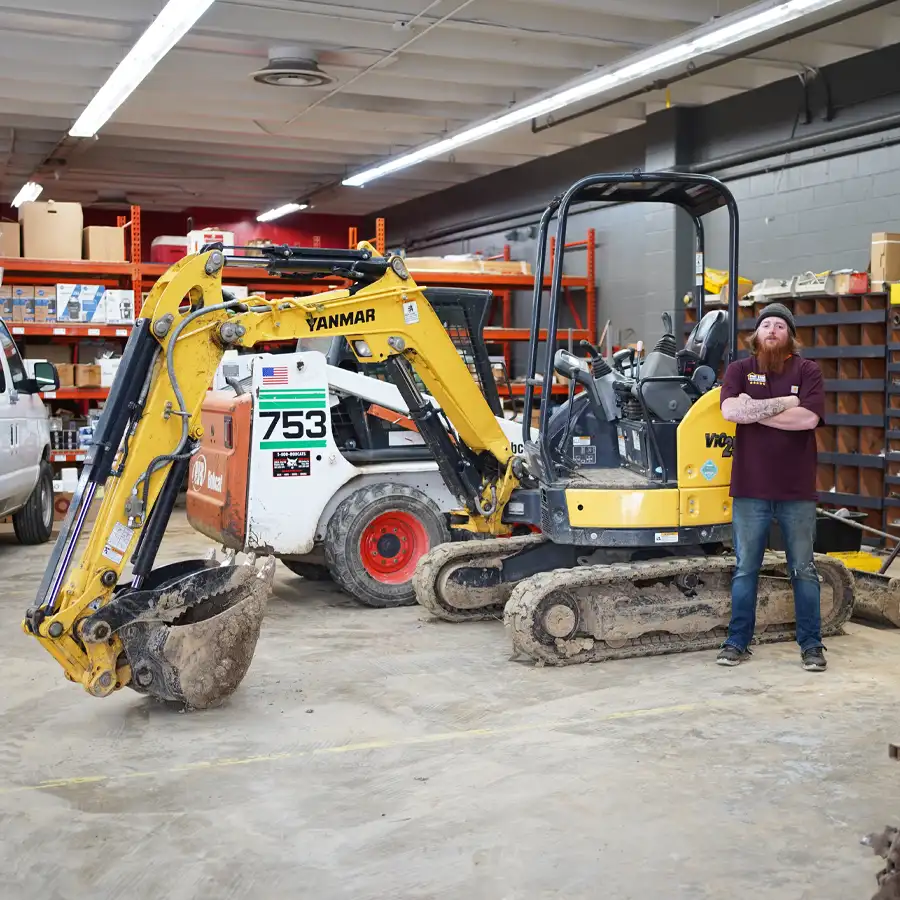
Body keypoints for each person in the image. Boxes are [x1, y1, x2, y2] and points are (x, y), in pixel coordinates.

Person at [716, 302, 828, 671]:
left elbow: (808, 419)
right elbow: (731, 412)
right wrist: (787, 403)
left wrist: (757, 410)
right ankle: (737, 642)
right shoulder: (739, 369)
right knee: (746, 568)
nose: (773, 330)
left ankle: (812, 646)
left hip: (796, 490)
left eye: (780, 326)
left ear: (790, 336)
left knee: (804, 569)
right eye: (767, 325)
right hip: (750, 489)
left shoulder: (808, 370)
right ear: (757, 335)